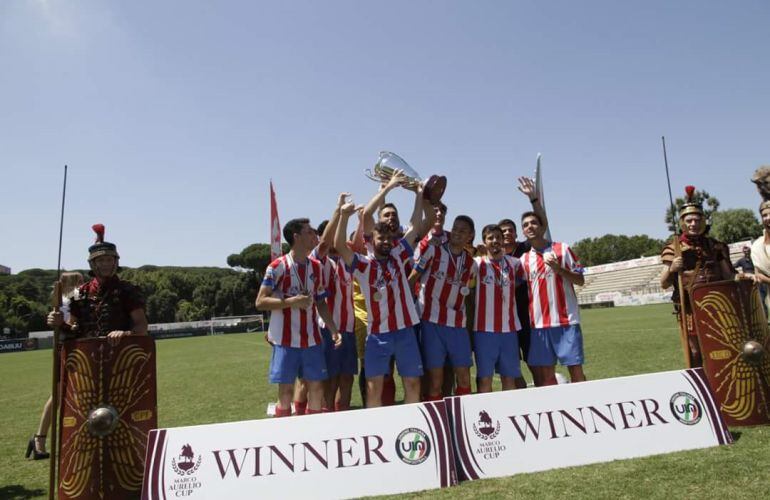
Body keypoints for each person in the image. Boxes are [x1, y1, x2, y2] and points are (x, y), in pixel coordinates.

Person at [335, 172, 431, 407]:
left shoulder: (399, 253)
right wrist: (386, 189)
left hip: (406, 330)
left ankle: (412, 427)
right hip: (378, 334)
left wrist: (419, 195)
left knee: (413, 384)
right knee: (374, 387)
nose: (387, 241)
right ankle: (377, 431)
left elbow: (417, 224)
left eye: (390, 238)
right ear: (371, 240)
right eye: (381, 238)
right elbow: (339, 243)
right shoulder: (363, 264)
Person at [256, 218, 341, 416]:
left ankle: (314, 434)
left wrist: (334, 330)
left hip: (312, 340)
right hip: (285, 341)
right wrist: (290, 302)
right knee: (285, 392)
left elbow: (320, 302)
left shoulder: (317, 268)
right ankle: (284, 435)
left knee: (317, 389)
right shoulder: (277, 267)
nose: (315, 236)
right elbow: (260, 302)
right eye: (310, 232)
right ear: (297, 237)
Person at [660, 186, 735, 367]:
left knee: (721, 348)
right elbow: (663, 283)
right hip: (690, 308)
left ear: (703, 220)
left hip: (717, 306)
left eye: (697, 219)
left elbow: (729, 276)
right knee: (695, 352)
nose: (693, 224)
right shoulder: (674, 248)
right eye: (689, 220)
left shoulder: (716, 247)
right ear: (682, 222)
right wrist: (672, 269)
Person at [409, 215, 476, 399]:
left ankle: (464, 419)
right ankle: (437, 423)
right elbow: (412, 279)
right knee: (435, 380)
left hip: (457, 326)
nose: (457, 233)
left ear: (470, 236)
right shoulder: (432, 251)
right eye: (455, 229)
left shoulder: (471, 263)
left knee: (463, 378)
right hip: (431, 322)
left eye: (463, 231)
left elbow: (469, 291)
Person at [519, 206, 587, 386]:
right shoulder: (523, 260)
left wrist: (558, 269)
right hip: (539, 325)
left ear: (542, 227)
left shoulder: (562, 249)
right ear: (523, 232)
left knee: (576, 371)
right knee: (547, 375)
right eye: (525, 225)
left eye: (534, 222)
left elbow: (580, 279)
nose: (530, 226)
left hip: (566, 322)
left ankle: (583, 405)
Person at [498, 177, 550, 387]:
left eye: (511, 230)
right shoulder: (493, 257)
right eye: (503, 232)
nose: (508, 233)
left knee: (533, 362)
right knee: (511, 367)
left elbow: (542, 225)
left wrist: (533, 199)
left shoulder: (526, 249)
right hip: (505, 319)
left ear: (516, 234)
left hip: (527, 317)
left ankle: (541, 396)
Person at [26, 272, 83, 460]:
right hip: (66, 347)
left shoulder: (61, 300)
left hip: (67, 346)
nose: (83, 282)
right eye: (80, 279)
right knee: (58, 395)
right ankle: (39, 439)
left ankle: (40, 439)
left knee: (62, 395)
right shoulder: (73, 297)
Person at [313, 199, 358, 411]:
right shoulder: (323, 264)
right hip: (328, 331)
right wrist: (339, 213)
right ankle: (329, 418)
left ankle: (345, 417)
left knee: (347, 379)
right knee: (329, 381)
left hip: (349, 329)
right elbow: (323, 245)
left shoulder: (349, 263)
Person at [472, 224, 525, 392]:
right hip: (484, 330)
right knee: (485, 380)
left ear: (503, 240)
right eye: (490, 238)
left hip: (509, 330)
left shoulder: (514, 263)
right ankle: (485, 415)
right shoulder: (477, 263)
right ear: (484, 241)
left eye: (498, 237)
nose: (495, 241)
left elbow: (521, 281)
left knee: (509, 379)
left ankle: (506, 416)